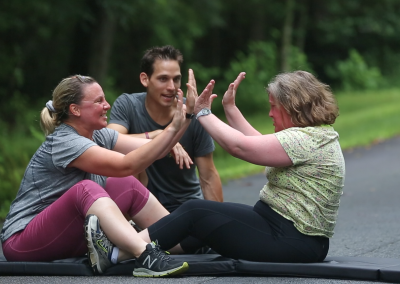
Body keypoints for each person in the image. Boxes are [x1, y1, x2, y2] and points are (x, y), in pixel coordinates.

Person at [136, 70, 345, 263]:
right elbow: (258, 144)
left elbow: (240, 147)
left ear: (293, 106)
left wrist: (201, 112)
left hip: (290, 238)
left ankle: (124, 248)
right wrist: (230, 109)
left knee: (195, 210)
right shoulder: (316, 136)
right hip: (296, 237)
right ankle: (142, 244)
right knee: (210, 220)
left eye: (274, 107)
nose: (270, 114)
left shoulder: (304, 140)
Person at [0, 75, 195, 277]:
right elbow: (126, 165)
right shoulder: (65, 141)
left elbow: (156, 150)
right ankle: (145, 255)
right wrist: (172, 129)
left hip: (66, 232)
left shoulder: (99, 135)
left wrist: (188, 115)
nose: (107, 105)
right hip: (22, 241)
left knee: (125, 184)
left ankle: (179, 238)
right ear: (75, 110)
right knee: (86, 188)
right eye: (99, 101)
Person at [107, 45, 222, 213]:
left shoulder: (192, 113)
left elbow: (208, 176)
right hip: (141, 207)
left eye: (176, 79)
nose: (171, 87)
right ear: (145, 79)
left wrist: (218, 223)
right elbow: (109, 140)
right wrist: (160, 136)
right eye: (163, 79)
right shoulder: (128, 105)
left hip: (184, 206)